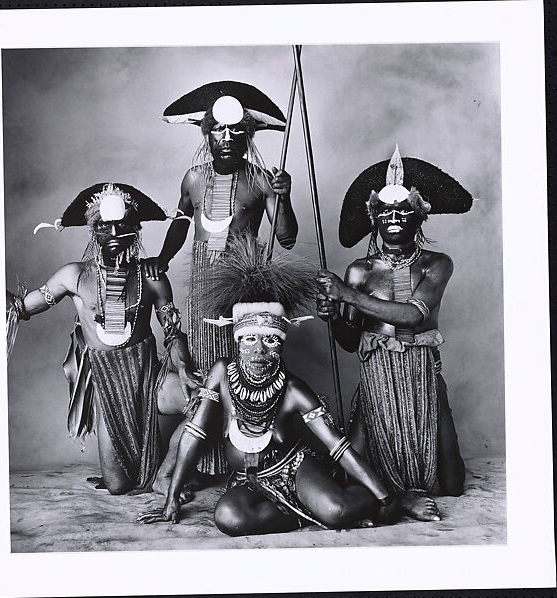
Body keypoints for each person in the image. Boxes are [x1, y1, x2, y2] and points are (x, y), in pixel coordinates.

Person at [138, 235, 401, 534]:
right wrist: (171, 499)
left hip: (292, 469)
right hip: (248, 479)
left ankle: (351, 503)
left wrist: (385, 497)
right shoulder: (222, 373)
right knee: (227, 517)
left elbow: (338, 448)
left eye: (271, 340)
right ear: (237, 342)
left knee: (337, 510)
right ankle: (303, 511)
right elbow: (194, 434)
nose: (259, 350)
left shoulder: (292, 389)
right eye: (250, 339)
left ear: (281, 346)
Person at [144, 81, 299, 479]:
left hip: (242, 287)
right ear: (207, 134)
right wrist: (163, 257)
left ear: (248, 136)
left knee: (236, 368)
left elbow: (286, 237)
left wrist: (285, 196)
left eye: (236, 131)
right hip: (201, 285)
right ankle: (200, 465)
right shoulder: (193, 178)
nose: (227, 138)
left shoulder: (263, 179)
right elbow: (182, 223)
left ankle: (239, 461)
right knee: (200, 367)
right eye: (218, 130)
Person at [6, 183, 199, 495]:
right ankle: (137, 470)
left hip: (150, 377)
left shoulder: (151, 277)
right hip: (108, 386)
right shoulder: (73, 275)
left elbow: (173, 332)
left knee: (205, 400)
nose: (113, 233)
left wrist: (186, 366)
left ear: (136, 228)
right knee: (118, 486)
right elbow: (24, 308)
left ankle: (165, 474)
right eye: (103, 226)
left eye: (122, 224)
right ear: (92, 230)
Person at [316, 146, 472, 521]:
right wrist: (334, 314)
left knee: (452, 483)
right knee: (347, 475)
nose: (395, 218)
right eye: (385, 212)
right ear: (374, 219)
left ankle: (404, 487)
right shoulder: (359, 270)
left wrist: (347, 295)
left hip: (421, 375)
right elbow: (351, 343)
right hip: (377, 380)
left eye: (405, 211)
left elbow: (412, 317)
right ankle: (399, 496)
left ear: (420, 216)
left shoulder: (437, 264)